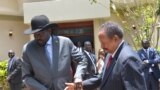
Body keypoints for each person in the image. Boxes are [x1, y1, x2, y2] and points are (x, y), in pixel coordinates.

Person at [65, 21, 147, 90]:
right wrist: (79, 85)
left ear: (115, 39)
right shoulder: (110, 55)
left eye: (103, 43)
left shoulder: (128, 59)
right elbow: (102, 78)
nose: (101, 46)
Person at [22, 15, 87, 90]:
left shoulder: (65, 43)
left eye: (40, 33)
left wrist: (78, 77)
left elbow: (82, 59)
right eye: (35, 34)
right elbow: (26, 76)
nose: (37, 37)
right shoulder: (28, 49)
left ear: (49, 30)